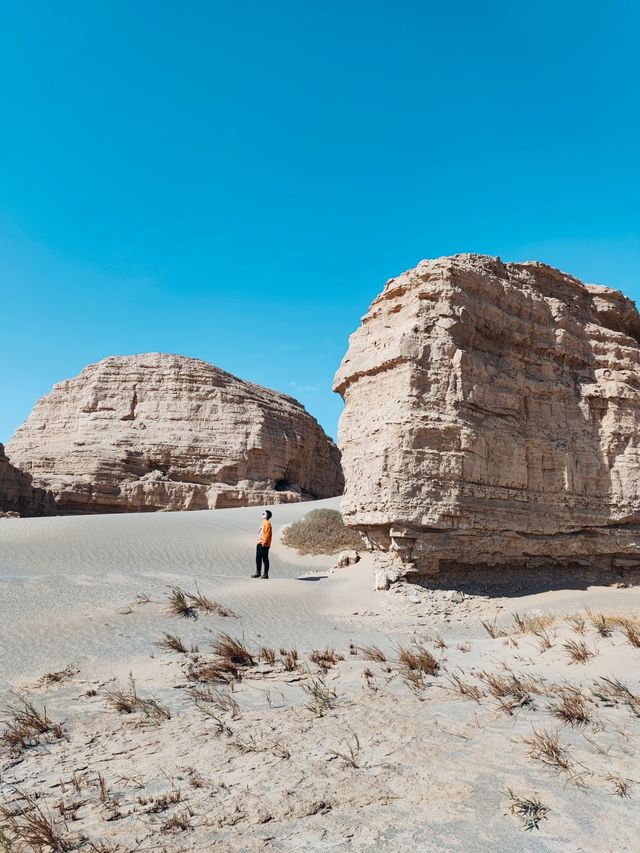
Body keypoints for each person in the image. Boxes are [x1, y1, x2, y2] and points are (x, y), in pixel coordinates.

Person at [252, 509, 272, 579]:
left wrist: (264, 542)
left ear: (266, 516)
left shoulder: (267, 523)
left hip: (264, 544)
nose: (262, 514)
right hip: (259, 543)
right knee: (258, 558)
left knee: (265, 559)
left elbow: (267, 534)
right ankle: (258, 573)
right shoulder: (263, 523)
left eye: (263, 514)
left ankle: (265, 574)